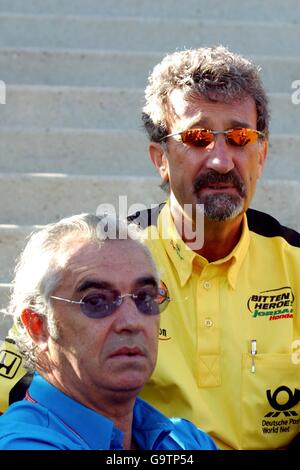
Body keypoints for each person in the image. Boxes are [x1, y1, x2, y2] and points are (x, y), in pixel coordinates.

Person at [128, 46, 300, 449]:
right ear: (161, 160)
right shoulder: (102, 259)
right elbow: (25, 392)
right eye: (197, 137)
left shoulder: (295, 264)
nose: (222, 161)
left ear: (261, 155)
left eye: (241, 137)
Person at [0, 213, 217, 450]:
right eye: (96, 301)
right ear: (37, 326)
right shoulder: (23, 442)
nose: (131, 321)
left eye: (144, 297)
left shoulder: (186, 439)